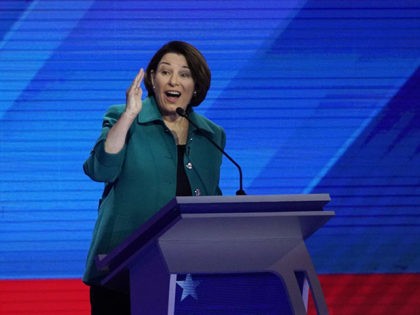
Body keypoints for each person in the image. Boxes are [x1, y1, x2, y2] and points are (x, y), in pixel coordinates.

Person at [82, 41, 226, 314]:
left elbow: (211, 200)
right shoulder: (124, 119)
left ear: (196, 85)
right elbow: (100, 169)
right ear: (151, 79)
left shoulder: (212, 136)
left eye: (184, 74)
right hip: (121, 275)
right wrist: (128, 116)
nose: (174, 80)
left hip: (187, 278)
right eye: (165, 72)